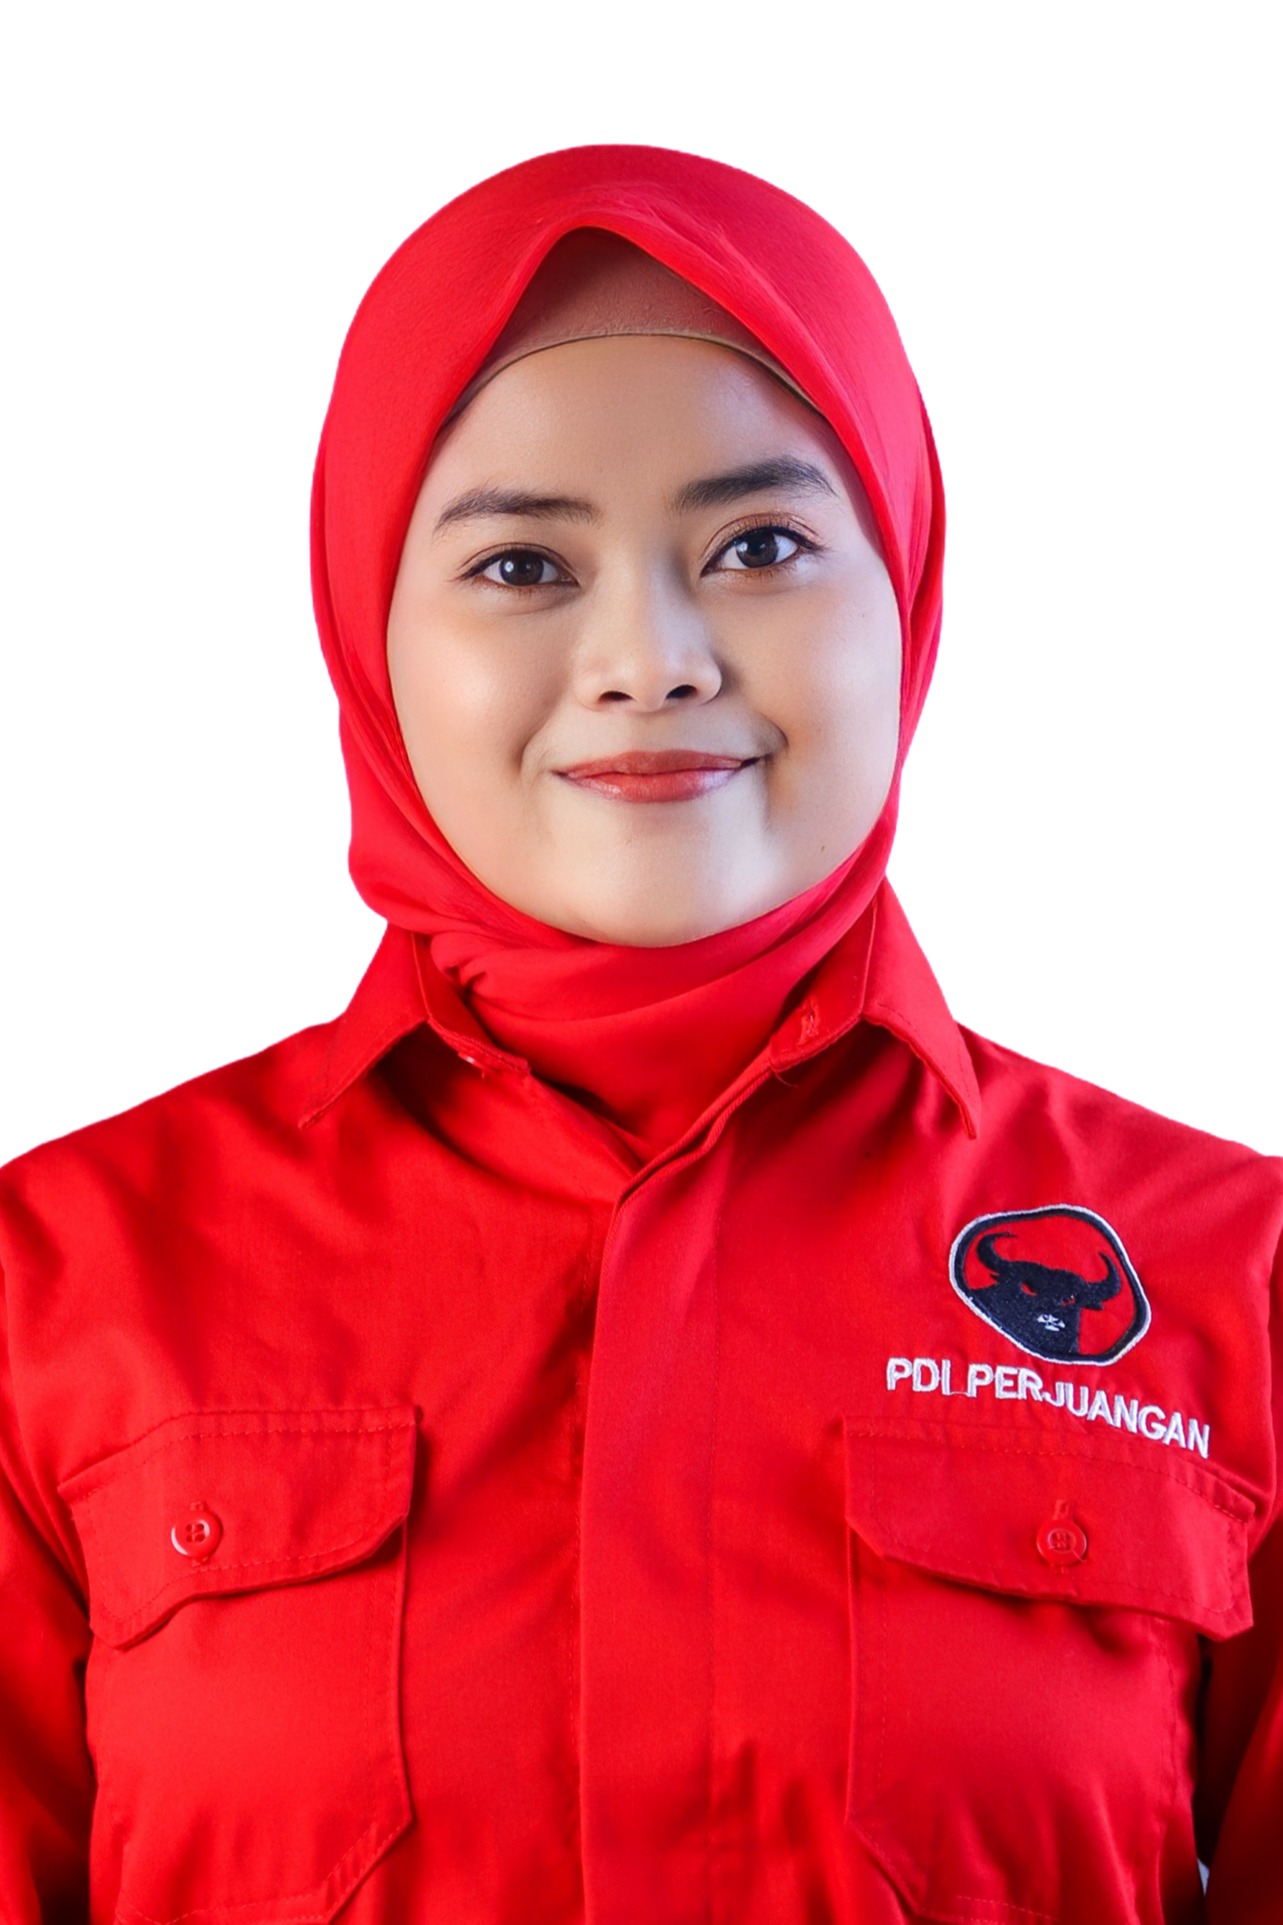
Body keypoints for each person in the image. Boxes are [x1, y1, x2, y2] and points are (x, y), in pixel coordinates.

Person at [0, 142, 1278, 1925]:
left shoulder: (1232, 1279)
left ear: (905, 588)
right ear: (369, 630)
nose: (649, 657)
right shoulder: (60, 1282)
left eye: (759, 545)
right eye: (523, 562)